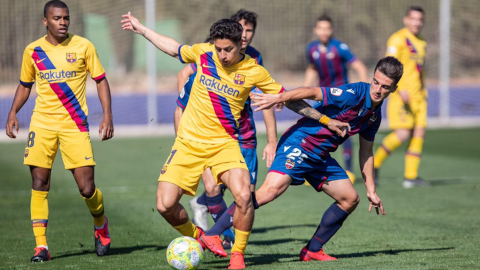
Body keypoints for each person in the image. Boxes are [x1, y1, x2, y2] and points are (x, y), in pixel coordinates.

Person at [200, 57, 403, 267]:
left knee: (349, 198)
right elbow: (312, 91)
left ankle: (312, 250)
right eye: (376, 82)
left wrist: (370, 189)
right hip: (301, 143)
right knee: (269, 191)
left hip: (320, 156)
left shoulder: (374, 116)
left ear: (393, 89)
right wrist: (279, 97)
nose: (377, 89)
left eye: (385, 87)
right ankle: (213, 234)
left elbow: (367, 151)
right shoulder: (353, 94)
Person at [5, 0, 113, 262]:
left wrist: (107, 114)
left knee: (87, 188)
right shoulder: (33, 50)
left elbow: (100, 80)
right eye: (57, 18)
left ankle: (100, 224)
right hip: (41, 125)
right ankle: (41, 246)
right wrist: (12, 112)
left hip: (74, 125)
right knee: (39, 183)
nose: (63, 22)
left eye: (66, 18)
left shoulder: (84, 46)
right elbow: (24, 85)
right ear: (45, 21)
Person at [174, 10, 279, 248]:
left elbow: (266, 97)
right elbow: (185, 72)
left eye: (249, 30)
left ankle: (206, 210)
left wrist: (272, 140)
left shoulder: (255, 60)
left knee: (246, 196)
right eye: (242, 28)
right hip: (214, 134)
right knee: (214, 186)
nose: (245, 35)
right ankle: (222, 237)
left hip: (245, 133)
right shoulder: (214, 53)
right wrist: (189, 104)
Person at [304, 14, 368, 184]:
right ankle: (309, 168)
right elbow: (312, 69)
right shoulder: (311, 49)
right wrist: (304, 91)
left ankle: (348, 170)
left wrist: (363, 93)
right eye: (321, 28)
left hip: (342, 99)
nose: (324, 31)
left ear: (331, 30)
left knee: (344, 131)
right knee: (312, 130)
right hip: (323, 97)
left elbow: (359, 67)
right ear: (315, 30)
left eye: (327, 28)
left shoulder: (339, 47)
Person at [373, 6, 430, 188]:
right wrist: (401, 89)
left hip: (419, 97)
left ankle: (410, 177)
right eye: (413, 19)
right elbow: (388, 68)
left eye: (420, 19)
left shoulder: (422, 42)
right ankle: (375, 164)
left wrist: (424, 89)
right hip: (402, 95)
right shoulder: (397, 39)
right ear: (406, 20)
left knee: (419, 132)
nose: (417, 23)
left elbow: (420, 70)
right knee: (403, 133)